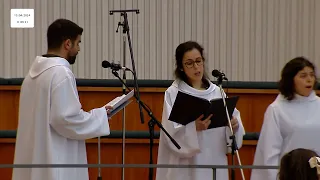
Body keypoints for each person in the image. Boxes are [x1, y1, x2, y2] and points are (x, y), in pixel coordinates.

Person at [12, 19, 112, 180]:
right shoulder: (61, 74)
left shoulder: (30, 77)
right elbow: (66, 119)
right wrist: (100, 115)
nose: (78, 48)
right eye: (77, 43)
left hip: (34, 160)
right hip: (55, 160)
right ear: (67, 44)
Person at [155, 41, 246, 180]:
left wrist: (234, 125)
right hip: (185, 168)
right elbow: (169, 136)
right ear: (181, 67)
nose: (196, 67)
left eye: (199, 61)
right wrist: (193, 128)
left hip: (214, 162)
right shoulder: (173, 93)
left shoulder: (217, 92)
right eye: (189, 63)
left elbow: (234, 123)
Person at [251, 57, 320, 180]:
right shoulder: (277, 109)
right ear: (291, 80)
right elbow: (270, 153)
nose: (309, 80)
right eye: (303, 76)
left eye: (311, 75)